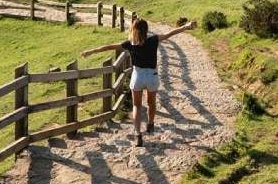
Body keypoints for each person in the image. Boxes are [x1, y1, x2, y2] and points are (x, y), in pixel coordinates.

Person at [82, 13, 197, 147]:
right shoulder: (153, 40)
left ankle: (138, 134)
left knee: (136, 105)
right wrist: (186, 26)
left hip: (138, 76)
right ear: (146, 29)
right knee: (151, 102)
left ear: (134, 30)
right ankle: (150, 123)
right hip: (152, 76)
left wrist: (90, 51)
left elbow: (109, 46)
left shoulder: (130, 44)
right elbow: (170, 33)